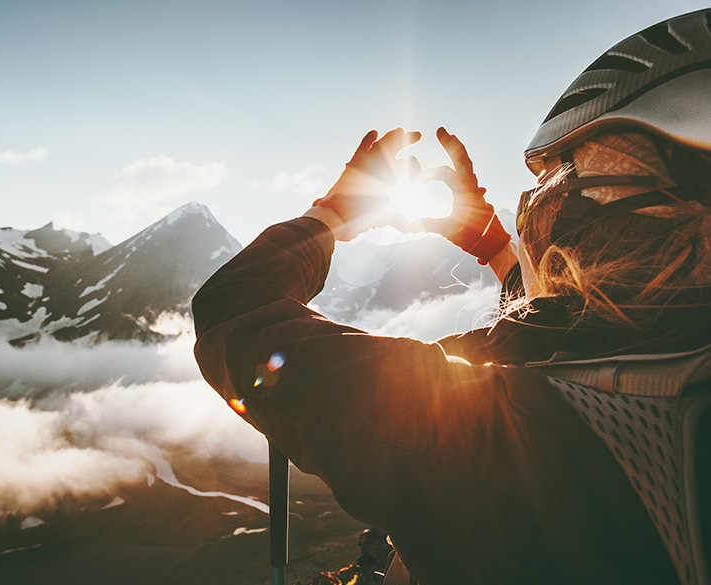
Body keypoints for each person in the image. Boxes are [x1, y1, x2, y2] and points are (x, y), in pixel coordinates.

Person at [193, 9, 711, 585]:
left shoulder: (479, 431)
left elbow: (235, 313)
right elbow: (585, 335)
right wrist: (497, 251)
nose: (541, 198)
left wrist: (333, 216)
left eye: (565, 176)